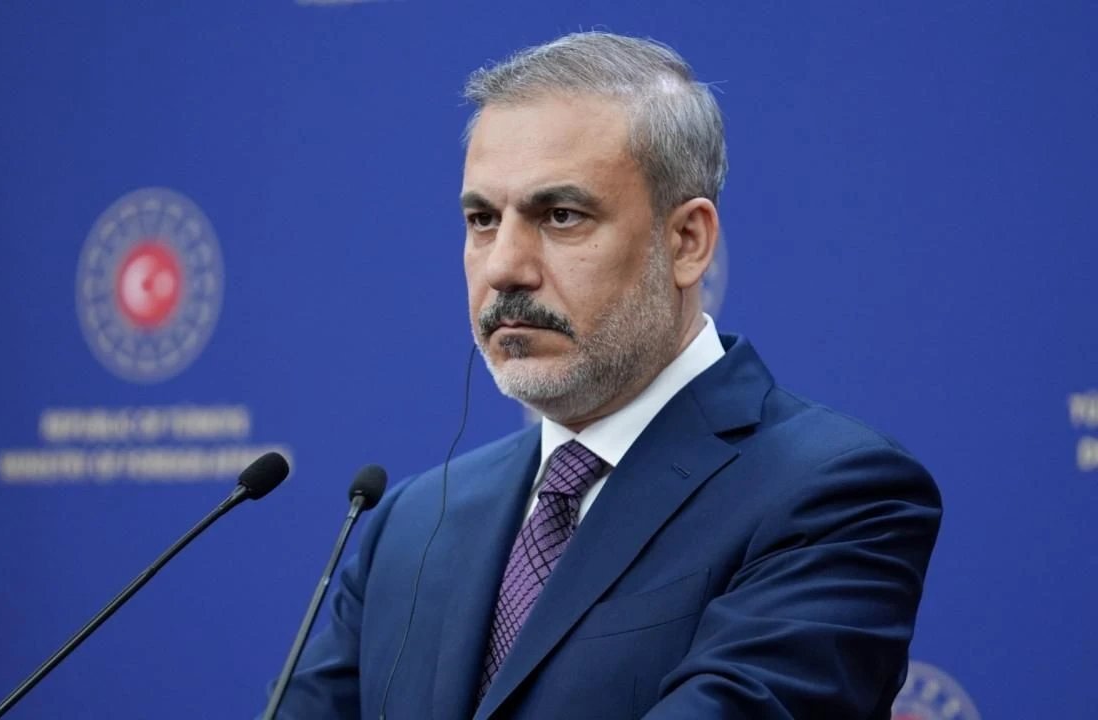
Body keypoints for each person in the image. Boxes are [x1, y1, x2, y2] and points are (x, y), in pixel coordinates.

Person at [269, 32, 942, 719]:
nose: (504, 267)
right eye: (482, 219)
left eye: (561, 216)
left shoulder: (833, 493)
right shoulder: (410, 524)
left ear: (687, 242)